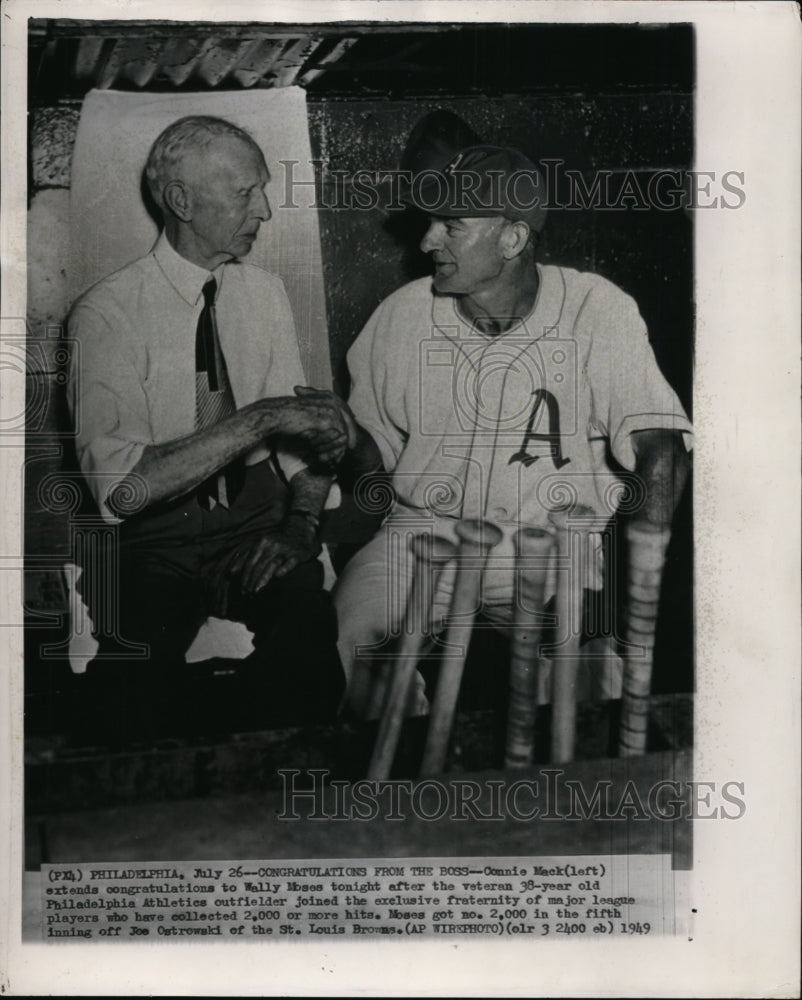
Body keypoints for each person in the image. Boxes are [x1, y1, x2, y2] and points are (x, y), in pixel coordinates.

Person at [305, 114, 693, 718]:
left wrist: (622, 591)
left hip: (556, 539)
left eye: (451, 225)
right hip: (421, 537)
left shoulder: (596, 309)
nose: (427, 240)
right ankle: (392, 801)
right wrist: (346, 438)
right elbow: (372, 467)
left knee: (589, 685)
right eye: (431, 222)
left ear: (511, 240)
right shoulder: (402, 315)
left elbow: (663, 452)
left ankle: (574, 802)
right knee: (349, 630)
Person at [66, 115, 350, 742]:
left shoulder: (265, 295)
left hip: (256, 520)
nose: (267, 210)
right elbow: (121, 490)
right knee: (132, 696)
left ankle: (282, 806)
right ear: (181, 200)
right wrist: (261, 417)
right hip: (153, 538)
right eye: (246, 192)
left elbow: (305, 449)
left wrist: (301, 525)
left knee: (308, 650)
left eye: (264, 190)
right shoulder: (106, 314)